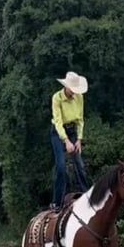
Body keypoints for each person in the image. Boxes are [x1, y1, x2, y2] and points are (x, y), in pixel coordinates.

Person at [49, 71, 90, 212]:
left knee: (80, 165)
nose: (74, 92)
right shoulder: (57, 98)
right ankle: (57, 202)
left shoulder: (79, 97)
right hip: (59, 132)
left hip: (73, 131)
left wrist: (79, 139)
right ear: (66, 87)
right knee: (60, 166)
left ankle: (88, 196)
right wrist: (66, 141)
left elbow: (80, 119)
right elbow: (58, 122)